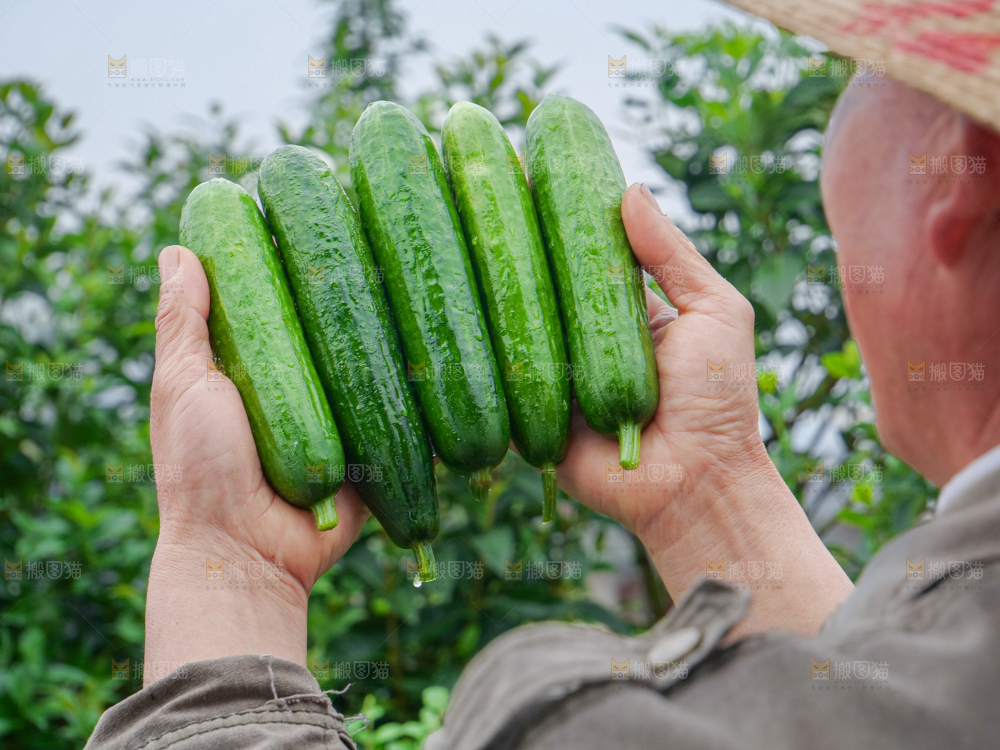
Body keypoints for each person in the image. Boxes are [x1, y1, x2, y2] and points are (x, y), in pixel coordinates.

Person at [85, 2, 1000, 747]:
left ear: (966, 169)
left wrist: (228, 568)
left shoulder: (600, 729)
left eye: (854, 80)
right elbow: (863, 715)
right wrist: (711, 484)